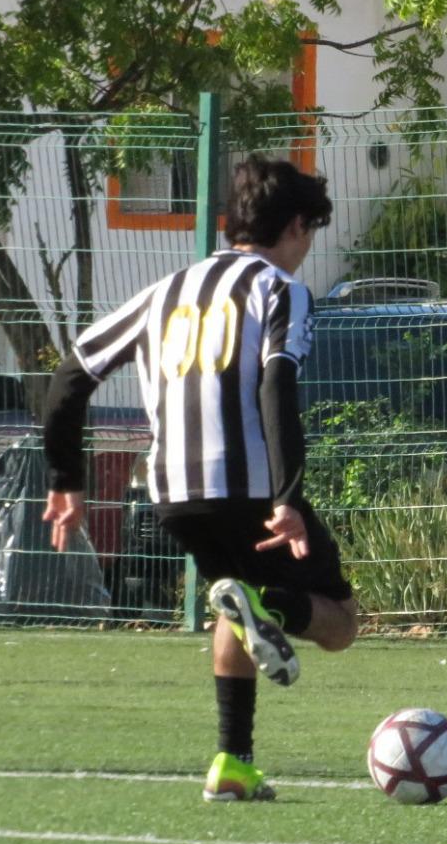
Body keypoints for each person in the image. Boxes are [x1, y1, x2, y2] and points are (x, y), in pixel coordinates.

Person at [43, 155, 358, 803]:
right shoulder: (279, 288)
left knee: (232, 597)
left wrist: (67, 481)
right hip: (244, 486)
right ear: (297, 224)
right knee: (341, 622)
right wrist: (287, 497)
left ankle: (232, 764)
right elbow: (277, 383)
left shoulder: (168, 288)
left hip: (171, 494)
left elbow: (71, 376)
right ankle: (275, 607)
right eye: (311, 234)